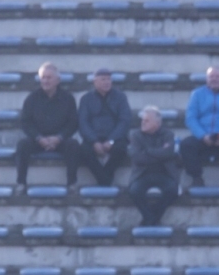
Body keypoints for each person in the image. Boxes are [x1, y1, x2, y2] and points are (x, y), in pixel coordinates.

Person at [16, 62, 82, 190]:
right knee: (22, 145)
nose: (45, 81)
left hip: (60, 140)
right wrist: (38, 138)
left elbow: (73, 123)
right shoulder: (31, 98)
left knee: (73, 145)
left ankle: (72, 183)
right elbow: (25, 122)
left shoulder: (68, 99)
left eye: (49, 77)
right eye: (43, 78)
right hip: (38, 140)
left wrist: (59, 137)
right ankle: (21, 183)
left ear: (58, 80)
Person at [179, 66, 219, 187]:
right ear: (207, 79)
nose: (214, 79)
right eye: (211, 77)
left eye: (218, 76)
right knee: (186, 145)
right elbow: (191, 118)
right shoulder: (196, 94)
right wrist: (202, 135)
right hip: (203, 136)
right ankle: (197, 178)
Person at [77, 67, 132, 188]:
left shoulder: (120, 97)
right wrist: (94, 141)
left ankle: (103, 179)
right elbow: (83, 123)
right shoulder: (86, 99)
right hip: (94, 138)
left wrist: (111, 140)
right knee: (84, 151)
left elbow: (124, 121)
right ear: (95, 82)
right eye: (103, 79)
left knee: (121, 149)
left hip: (115, 138)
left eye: (108, 79)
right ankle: (105, 179)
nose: (107, 82)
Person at [128, 105, 181, 227]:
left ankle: (150, 219)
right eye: (142, 120)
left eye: (147, 121)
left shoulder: (168, 134)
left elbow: (169, 153)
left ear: (157, 123)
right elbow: (137, 158)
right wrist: (160, 153)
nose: (143, 123)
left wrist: (147, 151)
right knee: (134, 191)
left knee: (172, 190)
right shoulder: (135, 135)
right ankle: (151, 218)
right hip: (142, 174)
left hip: (165, 173)